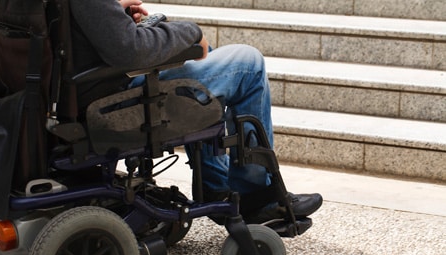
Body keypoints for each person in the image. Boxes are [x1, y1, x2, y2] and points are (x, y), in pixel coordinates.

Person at [68, 0, 322, 222]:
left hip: (92, 91)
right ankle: (255, 197)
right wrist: (191, 30)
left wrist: (113, 14)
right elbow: (129, 49)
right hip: (112, 102)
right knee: (248, 64)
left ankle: (217, 185)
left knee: (202, 57)